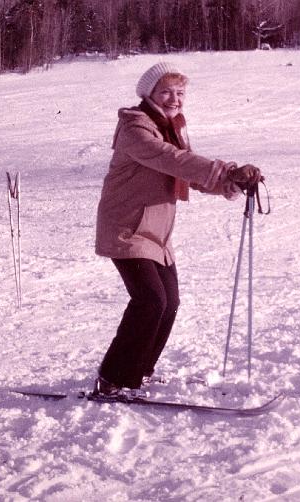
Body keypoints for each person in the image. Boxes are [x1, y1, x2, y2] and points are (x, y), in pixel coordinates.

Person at [92, 61, 263, 398]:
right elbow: (172, 159)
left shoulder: (169, 127)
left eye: (180, 92)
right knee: (151, 300)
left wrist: (230, 183)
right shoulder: (136, 129)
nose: (174, 98)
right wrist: (226, 170)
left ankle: (138, 371)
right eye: (166, 91)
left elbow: (185, 172)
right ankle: (111, 378)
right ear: (150, 93)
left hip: (155, 232)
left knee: (169, 302)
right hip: (126, 228)